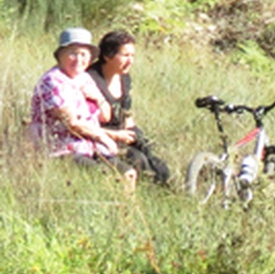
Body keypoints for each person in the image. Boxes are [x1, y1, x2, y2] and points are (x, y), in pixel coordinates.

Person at [28, 27, 134, 178]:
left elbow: (105, 117)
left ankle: (128, 202)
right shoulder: (53, 81)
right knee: (106, 177)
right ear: (60, 56)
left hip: (91, 147)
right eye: (72, 53)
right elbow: (72, 123)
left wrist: (99, 98)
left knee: (128, 173)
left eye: (84, 54)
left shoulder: (84, 78)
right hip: (63, 149)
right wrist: (104, 137)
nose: (79, 59)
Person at [84, 30, 171, 186]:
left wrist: (135, 134)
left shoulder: (124, 78)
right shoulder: (89, 80)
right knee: (138, 161)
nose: (130, 61)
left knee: (158, 166)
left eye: (132, 56)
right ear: (107, 55)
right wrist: (117, 136)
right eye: (125, 56)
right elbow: (83, 124)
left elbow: (126, 113)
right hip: (97, 138)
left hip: (122, 133)